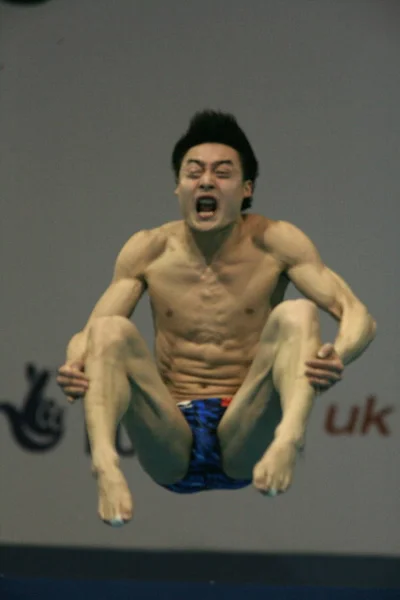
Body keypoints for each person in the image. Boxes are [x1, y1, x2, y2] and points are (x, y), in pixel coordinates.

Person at [57, 110, 376, 527]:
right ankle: (105, 465)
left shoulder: (275, 241)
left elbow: (358, 316)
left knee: (297, 312)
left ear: (245, 190)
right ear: (178, 187)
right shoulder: (148, 250)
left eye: (221, 173)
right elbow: (90, 334)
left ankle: (289, 440)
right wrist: (72, 364)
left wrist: (340, 355)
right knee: (109, 329)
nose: (206, 180)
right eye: (194, 172)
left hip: (245, 426)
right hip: (169, 430)